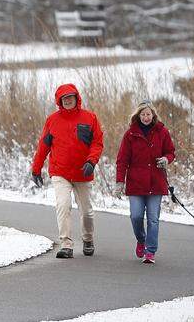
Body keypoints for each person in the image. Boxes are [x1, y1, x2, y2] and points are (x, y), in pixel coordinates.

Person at [31, 83, 104, 258]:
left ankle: (88, 239)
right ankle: (66, 244)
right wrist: (36, 169)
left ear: (76, 98)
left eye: (71, 97)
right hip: (60, 172)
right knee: (63, 206)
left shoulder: (90, 118)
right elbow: (43, 147)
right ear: (59, 101)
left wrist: (91, 161)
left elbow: (97, 143)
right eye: (65, 98)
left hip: (83, 172)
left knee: (86, 211)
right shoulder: (52, 120)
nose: (68, 100)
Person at [115, 101, 176, 265]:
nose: (146, 117)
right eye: (143, 114)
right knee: (135, 216)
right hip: (136, 183)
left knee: (153, 219)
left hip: (156, 182)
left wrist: (166, 159)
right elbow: (122, 160)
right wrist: (119, 182)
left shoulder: (162, 132)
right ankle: (141, 240)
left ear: (153, 115)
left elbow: (171, 152)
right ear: (138, 116)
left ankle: (150, 251)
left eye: (148, 114)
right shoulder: (130, 135)